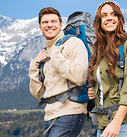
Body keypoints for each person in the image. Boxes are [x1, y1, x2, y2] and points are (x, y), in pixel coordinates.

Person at [87, 1, 127, 137]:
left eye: (114, 15)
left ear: (119, 19)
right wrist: (95, 90)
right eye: (104, 15)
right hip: (103, 122)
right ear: (99, 21)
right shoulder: (98, 51)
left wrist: (116, 122)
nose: (109, 18)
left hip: (124, 123)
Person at [29, 7, 88, 137]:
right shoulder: (45, 52)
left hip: (70, 112)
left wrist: (56, 55)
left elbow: (80, 77)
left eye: (53, 21)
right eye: (45, 22)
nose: (49, 25)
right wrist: (34, 66)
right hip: (50, 114)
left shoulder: (73, 43)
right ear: (40, 26)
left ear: (61, 24)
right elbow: (38, 93)